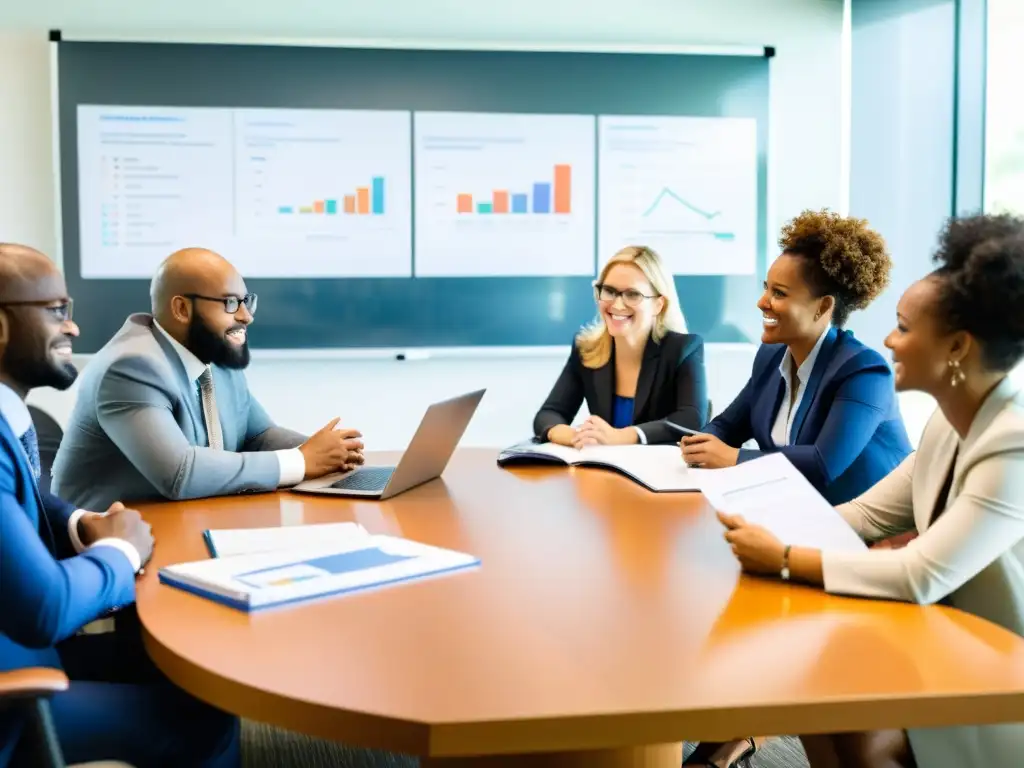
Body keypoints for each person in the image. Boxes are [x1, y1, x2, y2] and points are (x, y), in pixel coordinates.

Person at [721, 213, 1024, 768]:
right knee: (812, 683)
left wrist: (784, 557)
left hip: (999, 670)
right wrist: (759, 533)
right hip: (945, 634)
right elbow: (863, 514)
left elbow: (920, 573)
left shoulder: (1013, 444)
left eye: (904, 328)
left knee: (844, 706)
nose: (889, 339)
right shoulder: (947, 424)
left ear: (957, 346)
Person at [0, 243, 239, 767]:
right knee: (207, 720)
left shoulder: (8, 417)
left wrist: (82, 524)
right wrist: (122, 554)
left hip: (23, 645)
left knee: (194, 666)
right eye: (56, 310)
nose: (72, 326)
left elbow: (22, 503)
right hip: (14, 687)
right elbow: (46, 609)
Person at [51, 247, 364, 510]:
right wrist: (300, 461)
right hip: (102, 536)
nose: (246, 316)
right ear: (182, 309)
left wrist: (328, 453)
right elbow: (179, 473)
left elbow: (258, 436)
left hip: (182, 517)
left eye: (247, 301)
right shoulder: (130, 368)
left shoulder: (214, 354)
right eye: (230, 303)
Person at [682, 209, 912, 505]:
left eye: (779, 293)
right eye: (766, 289)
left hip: (869, 525)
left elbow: (821, 465)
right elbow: (728, 425)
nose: (762, 302)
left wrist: (733, 458)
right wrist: (701, 443)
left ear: (823, 307)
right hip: (799, 510)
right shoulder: (772, 356)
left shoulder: (865, 372)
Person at [533, 245, 707, 447]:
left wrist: (623, 436)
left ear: (658, 304)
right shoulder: (586, 348)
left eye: (632, 294)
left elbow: (691, 419)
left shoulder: (683, 348)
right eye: (609, 291)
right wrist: (572, 436)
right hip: (604, 465)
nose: (616, 305)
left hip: (658, 465)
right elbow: (549, 414)